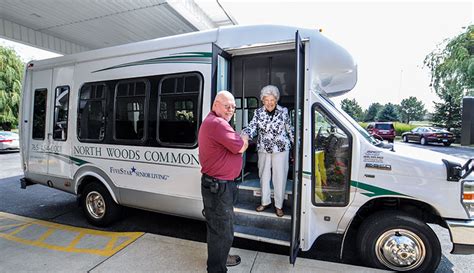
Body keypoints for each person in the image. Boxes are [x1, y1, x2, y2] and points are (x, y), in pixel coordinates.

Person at [198, 90, 249, 273]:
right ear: (215, 105)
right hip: (219, 187)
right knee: (223, 231)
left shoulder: (212, 122)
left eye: (233, 107)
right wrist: (244, 136)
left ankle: (221, 257)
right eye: (227, 106)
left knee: (218, 228)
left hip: (217, 185)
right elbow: (240, 147)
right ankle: (216, 269)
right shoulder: (218, 124)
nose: (230, 110)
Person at [242, 85, 294, 217]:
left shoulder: (284, 111)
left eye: (272, 100)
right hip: (263, 148)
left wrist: (298, 145)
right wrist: (245, 135)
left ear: (276, 100)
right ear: (262, 100)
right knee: (264, 175)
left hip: (281, 148)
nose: (269, 103)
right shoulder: (258, 113)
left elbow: (290, 129)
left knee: (280, 177)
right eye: (266, 100)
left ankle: (279, 205)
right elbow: (252, 126)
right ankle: (265, 202)